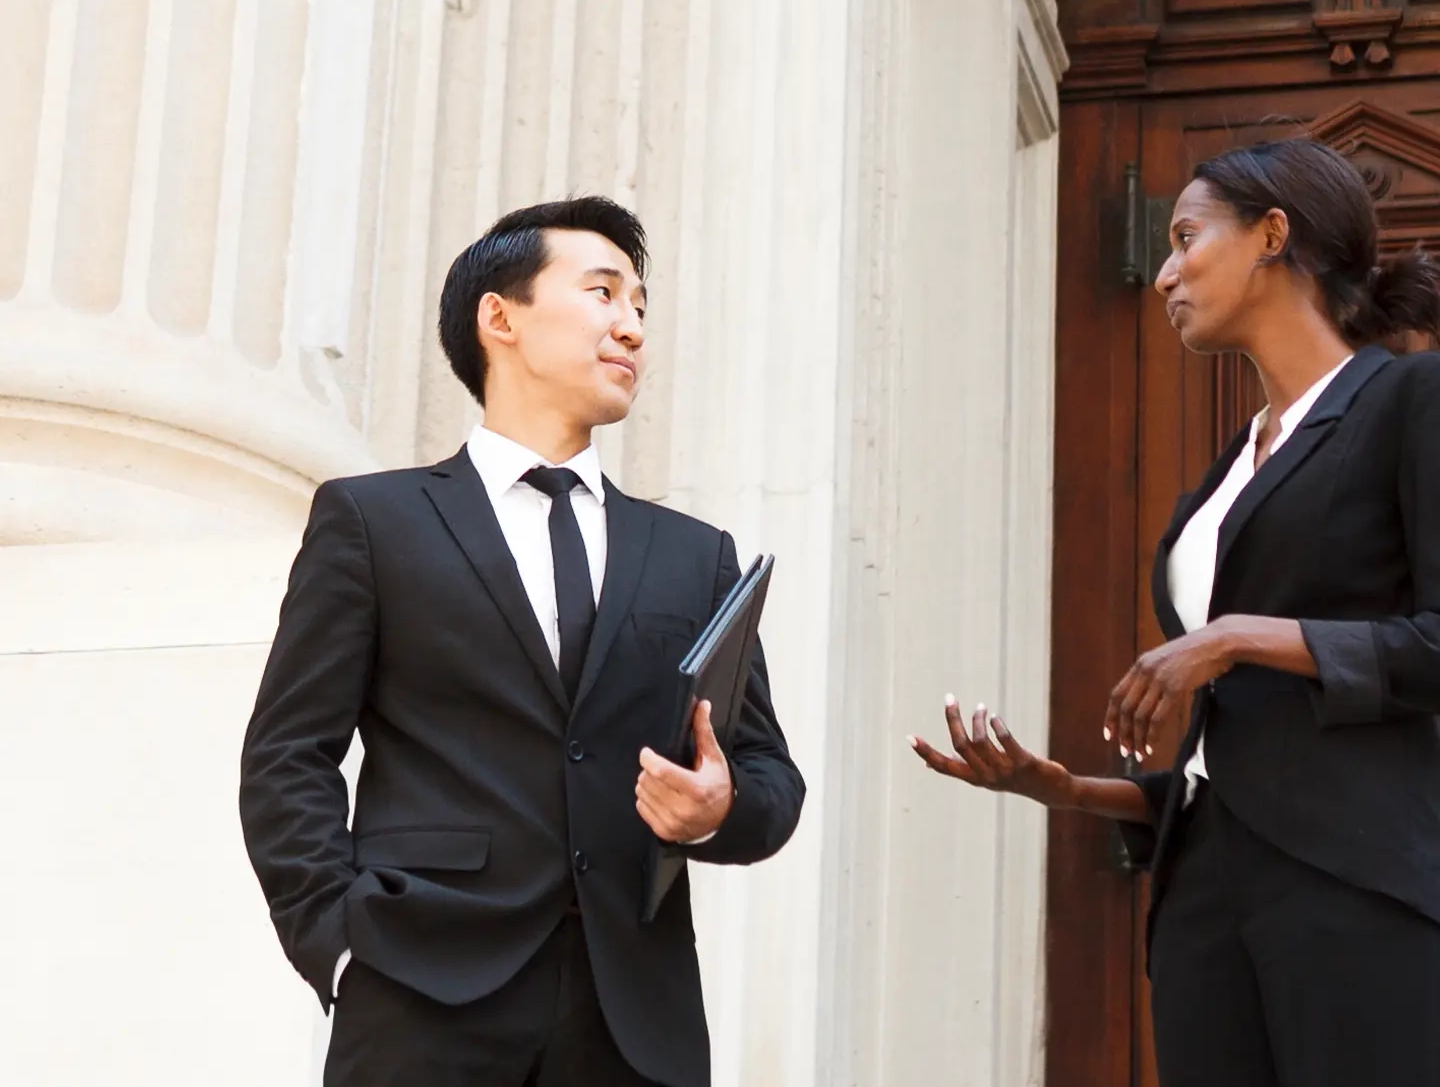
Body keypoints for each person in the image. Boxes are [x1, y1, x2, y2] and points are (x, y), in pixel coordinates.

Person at [239, 196, 804, 1087]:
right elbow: (287, 754)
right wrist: (339, 942)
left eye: (642, 309)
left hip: (634, 1023)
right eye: (604, 293)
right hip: (419, 995)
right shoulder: (374, 522)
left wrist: (720, 809)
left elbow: (770, 777)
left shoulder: (696, 556)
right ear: (499, 317)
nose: (632, 328)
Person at [911, 139, 1440, 1086]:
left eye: (1187, 237)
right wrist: (1067, 790)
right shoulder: (1228, 472)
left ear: (1274, 236)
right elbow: (1237, 753)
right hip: (1204, 897)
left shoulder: (1409, 401)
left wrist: (1236, 638)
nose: (1163, 274)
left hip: (1357, 885)